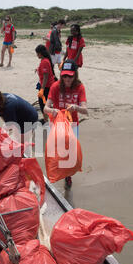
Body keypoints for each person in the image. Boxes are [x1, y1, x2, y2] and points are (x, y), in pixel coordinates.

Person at [44, 59, 88, 189]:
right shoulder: (55, 86)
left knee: (71, 153)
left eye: (70, 76)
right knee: (57, 152)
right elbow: (46, 108)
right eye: (65, 76)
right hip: (57, 124)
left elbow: (86, 110)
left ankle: (68, 176)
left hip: (72, 124)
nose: (67, 79)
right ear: (61, 75)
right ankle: (57, 173)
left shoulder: (80, 87)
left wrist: (76, 107)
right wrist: (52, 110)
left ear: (75, 75)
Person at [35, 44, 56, 122]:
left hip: (47, 86)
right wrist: (38, 69)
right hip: (47, 85)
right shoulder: (45, 60)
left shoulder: (44, 62)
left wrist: (42, 89)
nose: (37, 55)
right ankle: (46, 119)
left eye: (37, 53)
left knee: (43, 104)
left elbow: (45, 77)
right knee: (45, 103)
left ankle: (46, 120)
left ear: (40, 53)